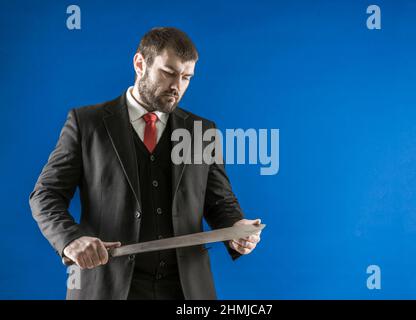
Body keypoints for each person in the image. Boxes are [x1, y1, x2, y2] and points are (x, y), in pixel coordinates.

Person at [29, 27, 262, 300]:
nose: (178, 86)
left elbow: (219, 202)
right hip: (107, 287)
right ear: (140, 64)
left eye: (187, 77)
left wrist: (236, 228)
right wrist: (70, 240)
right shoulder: (86, 123)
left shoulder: (201, 131)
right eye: (169, 72)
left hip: (186, 291)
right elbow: (45, 195)